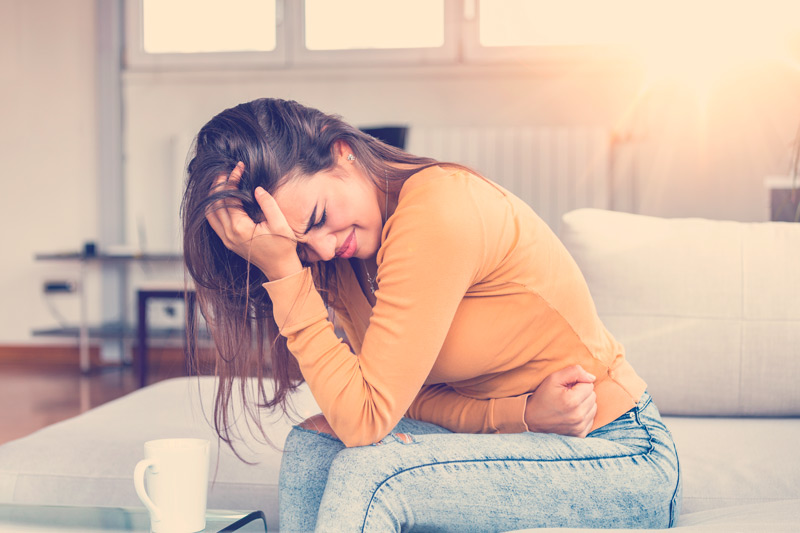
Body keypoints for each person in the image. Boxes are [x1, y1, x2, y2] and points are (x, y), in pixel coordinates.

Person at [182, 98, 681, 532]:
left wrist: (284, 271)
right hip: (530, 434)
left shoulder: (437, 209)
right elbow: (399, 402)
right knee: (312, 451)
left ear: (342, 152)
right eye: (300, 249)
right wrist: (520, 416)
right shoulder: (346, 258)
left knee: (370, 475)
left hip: (615, 452)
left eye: (318, 219)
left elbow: (366, 420)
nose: (325, 248)